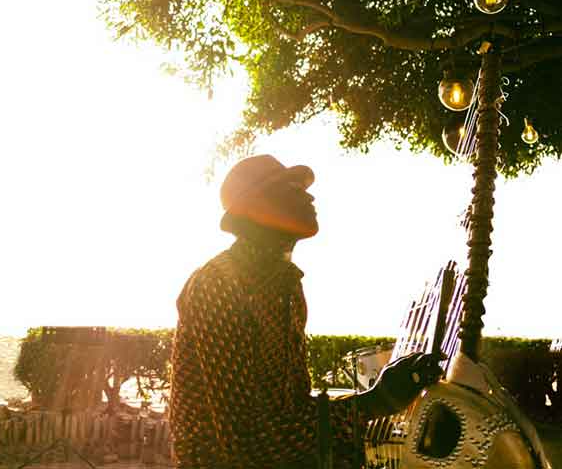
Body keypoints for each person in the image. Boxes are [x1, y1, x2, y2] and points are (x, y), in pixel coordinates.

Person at [169, 154, 444, 469]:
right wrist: (373, 402)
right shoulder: (219, 285)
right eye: (290, 188)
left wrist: (374, 400)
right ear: (257, 208)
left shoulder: (286, 286)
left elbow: (290, 414)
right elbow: (244, 438)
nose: (308, 195)